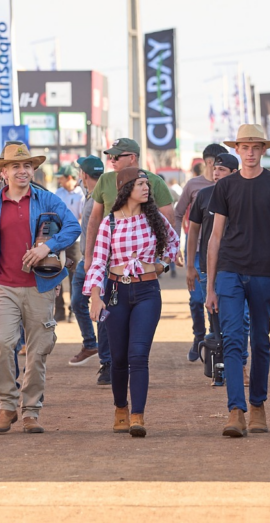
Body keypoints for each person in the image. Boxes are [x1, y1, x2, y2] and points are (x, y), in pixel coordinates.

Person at [0, 142, 81, 434]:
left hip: (41, 286)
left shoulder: (47, 199)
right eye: (15, 166)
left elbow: (73, 227)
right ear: (4, 172)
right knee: (2, 341)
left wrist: (48, 246)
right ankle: (7, 405)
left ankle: (31, 411)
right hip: (4, 287)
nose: (22, 171)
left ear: (33, 170)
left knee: (37, 351)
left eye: (27, 166)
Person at [205, 124, 270, 437]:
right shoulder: (225, 186)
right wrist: (210, 287)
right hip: (229, 271)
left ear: (263, 150)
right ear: (237, 150)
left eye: (255, 147)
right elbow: (215, 237)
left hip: (265, 272)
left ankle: (258, 404)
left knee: (260, 340)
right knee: (232, 339)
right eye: (244, 147)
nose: (249, 152)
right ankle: (236, 410)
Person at [86, 168, 180, 437]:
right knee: (118, 358)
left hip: (148, 292)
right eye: (140, 184)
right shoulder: (109, 223)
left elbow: (174, 244)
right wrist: (95, 296)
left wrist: (162, 265)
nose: (146, 188)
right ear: (126, 189)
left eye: (146, 183)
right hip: (116, 292)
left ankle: (138, 415)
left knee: (138, 354)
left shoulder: (155, 218)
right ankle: (121, 408)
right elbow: (98, 262)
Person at [186, 153, 245, 377]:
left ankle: (240, 365)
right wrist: (190, 265)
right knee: (215, 317)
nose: (216, 172)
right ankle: (219, 366)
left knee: (241, 319)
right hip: (208, 267)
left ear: (234, 173)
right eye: (215, 168)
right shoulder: (204, 195)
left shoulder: (243, 195)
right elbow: (193, 231)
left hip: (238, 266)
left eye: (222, 169)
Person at [84, 138, 176, 281]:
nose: (112, 160)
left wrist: (163, 263)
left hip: (143, 260)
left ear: (132, 157)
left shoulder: (155, 181)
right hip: (108, 256)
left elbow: (169, 221)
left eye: (116, 156)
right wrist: (89, 255)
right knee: (104, 292)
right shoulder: (104, 180)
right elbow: (94, 219)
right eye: (110, 156)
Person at [174, 144, 228, 360]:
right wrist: (175, 244)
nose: (219, 169)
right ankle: (199, 336)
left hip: (222, 252)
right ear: (208, 162)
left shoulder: (229, 185)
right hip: (196, 252)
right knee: (197, 298)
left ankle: (213, 339)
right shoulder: (194, 186)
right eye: (218, 164)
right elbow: (178, 213)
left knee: (214, 298)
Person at [67, 155, 112, 384]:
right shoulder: (90, 195)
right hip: (86, 261)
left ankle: (107, 362)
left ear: (84, 175)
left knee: (101, 310)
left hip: (99, 262)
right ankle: (90, 344)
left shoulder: (101, 197)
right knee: (77, 302)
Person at [54, 163, 86, 322]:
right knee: (56, 275)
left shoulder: (81, 195)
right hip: (58, 240)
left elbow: (82, 218)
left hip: (75, 242)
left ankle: (73, 310)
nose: (59, 181)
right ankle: (59, 311)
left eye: (61, 178)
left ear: (69, 178)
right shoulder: (58, 193)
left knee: (75, 276)